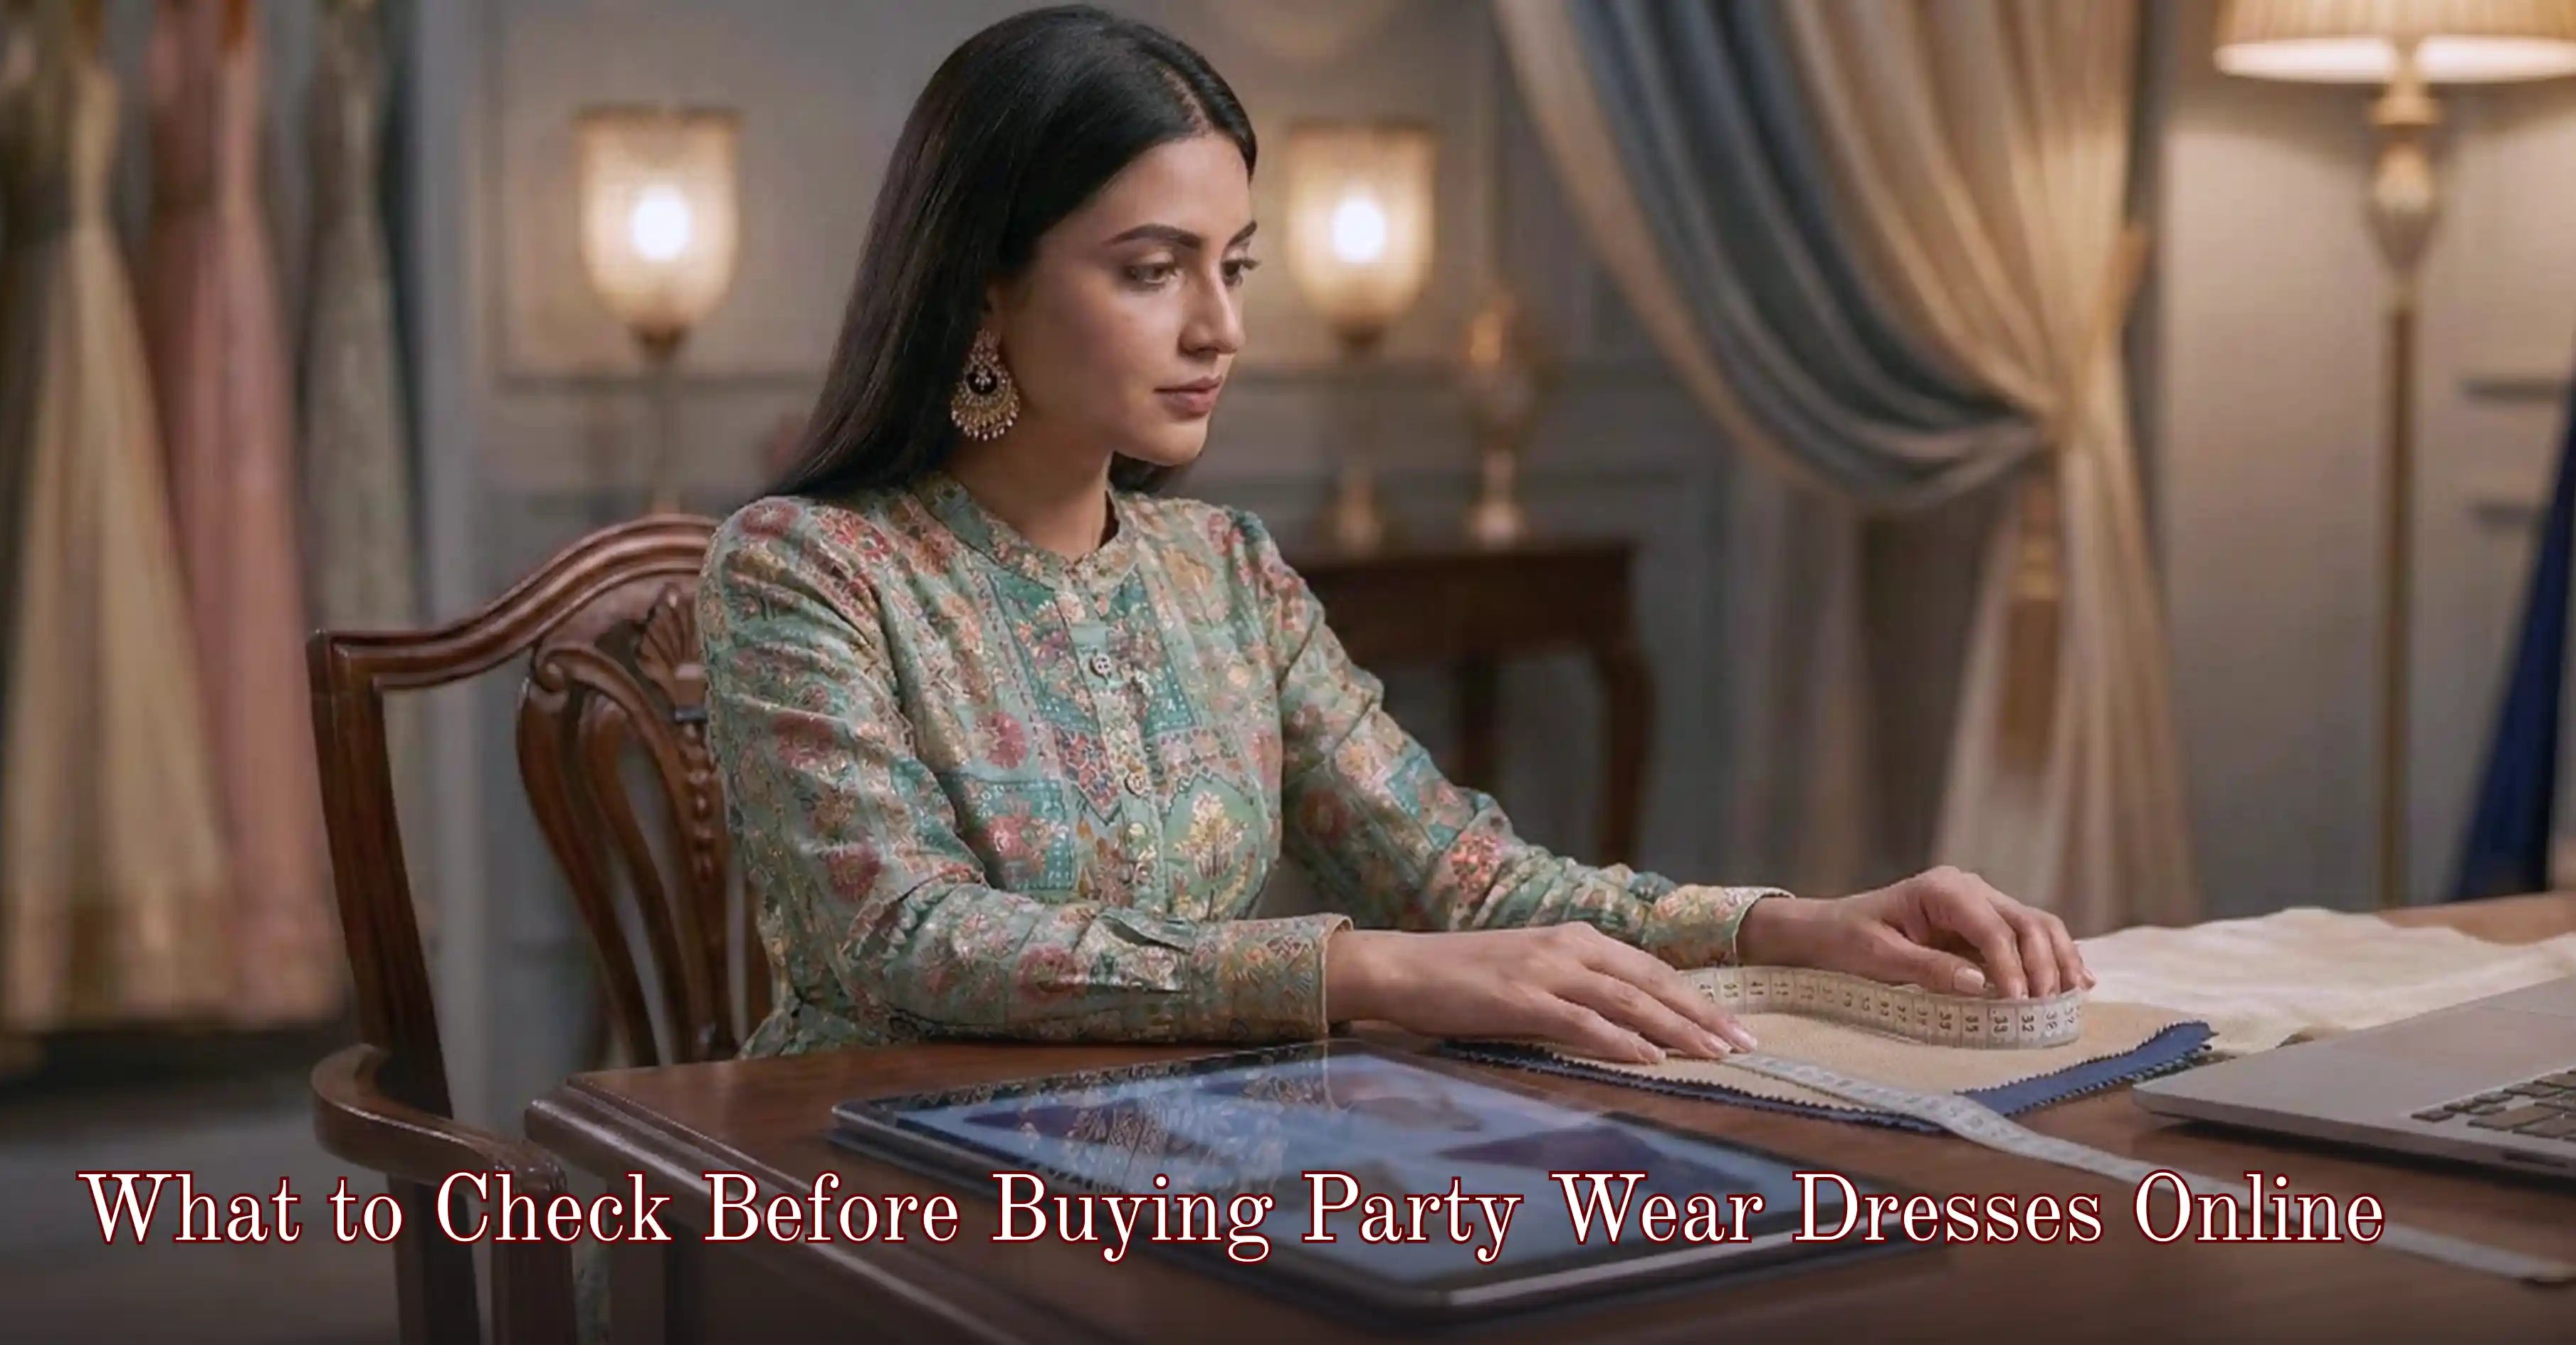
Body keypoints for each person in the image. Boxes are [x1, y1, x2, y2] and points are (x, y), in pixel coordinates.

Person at [699, 4, 2091, 1067]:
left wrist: (1791, 927)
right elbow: (905, 941)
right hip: (877, 1194)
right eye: (1151, 270)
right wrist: (1358, 973)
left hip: (1195, 1159)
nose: (1219, 327)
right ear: (984, 289)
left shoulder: (1223, 574)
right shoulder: (805, 570)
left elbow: (1464, 876)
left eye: (1233, 267)